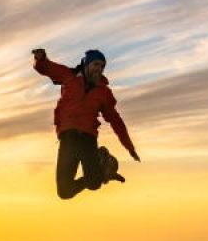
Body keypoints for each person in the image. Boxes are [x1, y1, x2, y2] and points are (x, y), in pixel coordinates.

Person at [32, 48, 140, 200]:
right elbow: (47, 68)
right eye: (96, 64)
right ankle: (103, 171)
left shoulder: (104, 92)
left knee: (94, 184)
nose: (99, 69)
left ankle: (100, 167)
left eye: (102, 66)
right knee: (64, 192)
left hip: (87, 138)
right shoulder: (69, 76)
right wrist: (40, 59)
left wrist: (129, 146)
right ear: (87, 64)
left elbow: (116, 120)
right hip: (68, 138)